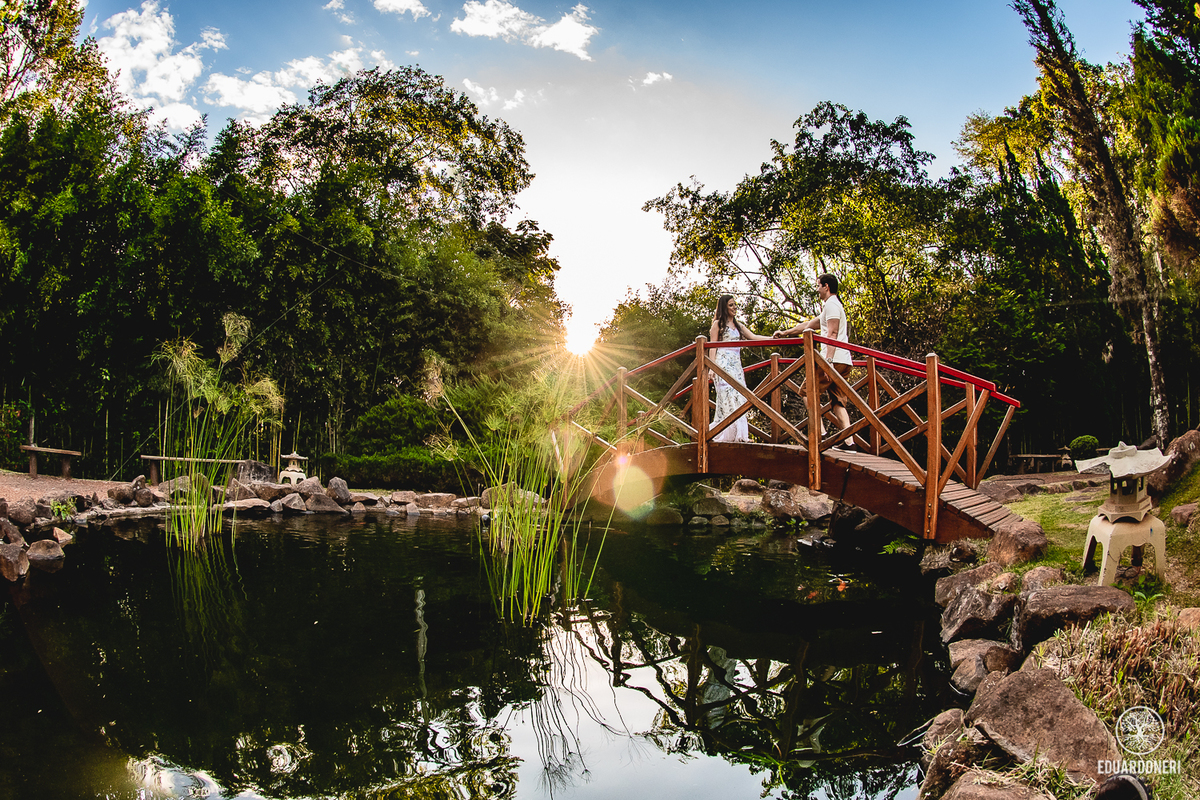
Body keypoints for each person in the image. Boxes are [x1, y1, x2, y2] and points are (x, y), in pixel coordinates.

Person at [774, 273, 855, 449]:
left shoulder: (832, 305)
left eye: (818, 285)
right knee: (838, 402)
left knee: (806, 393)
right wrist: (786, 332)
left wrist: (828, 362)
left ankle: (821, 434)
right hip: (843, 360)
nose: (817, 289)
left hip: (834, 360)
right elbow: (808, 325)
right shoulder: (832, 307)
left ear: (826, 287)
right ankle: (850, 443)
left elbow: (832, 334)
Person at [709, 294, 772, 443]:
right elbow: (712, 347)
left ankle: (741, 435)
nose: (734, 307)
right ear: (724, 307)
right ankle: (727, 434)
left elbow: (754, 337)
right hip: (722, 365)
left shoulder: (738, 326)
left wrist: (772, 339)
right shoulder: (717, 324)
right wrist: (712, 368)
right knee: (727, 397)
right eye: (731, 305)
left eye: (735, 305)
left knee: (739, 397)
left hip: (736, 366)